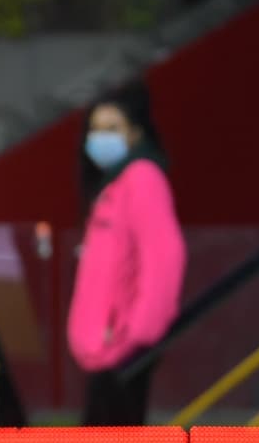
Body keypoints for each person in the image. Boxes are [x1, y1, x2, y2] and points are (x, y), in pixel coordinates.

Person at [68, 83, 186, 425]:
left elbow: (163, 259)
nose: (100, 138)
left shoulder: (142, 179)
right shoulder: (114, 186)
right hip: (105, 350)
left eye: (112, 129)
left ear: (135, 133)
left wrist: (136, 335)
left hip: (122, 349)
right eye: (95, 128)